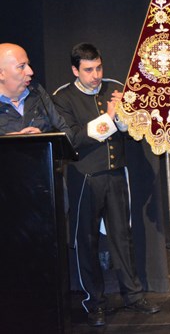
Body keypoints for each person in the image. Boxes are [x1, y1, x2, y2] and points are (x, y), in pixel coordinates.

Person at [52, 43, 160, 327]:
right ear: (76, 70)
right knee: (86, 241)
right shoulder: (63, 97)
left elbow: (132, 131)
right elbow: (74, 138)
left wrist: (126, 114)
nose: (96, 75)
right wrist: (110, 116)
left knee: (123, 237)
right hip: (84, 179)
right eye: (88, 70)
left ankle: (133, 295)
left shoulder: (113, 86)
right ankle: (94, 302)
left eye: (98, 67)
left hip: (115, 174)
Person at [0, 43, 70, 136]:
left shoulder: (36, 91)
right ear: (1, 74)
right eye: (21, 66)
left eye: (28, 65)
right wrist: (7, 143)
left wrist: (41, 138)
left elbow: (66, 133)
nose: (30, 72)